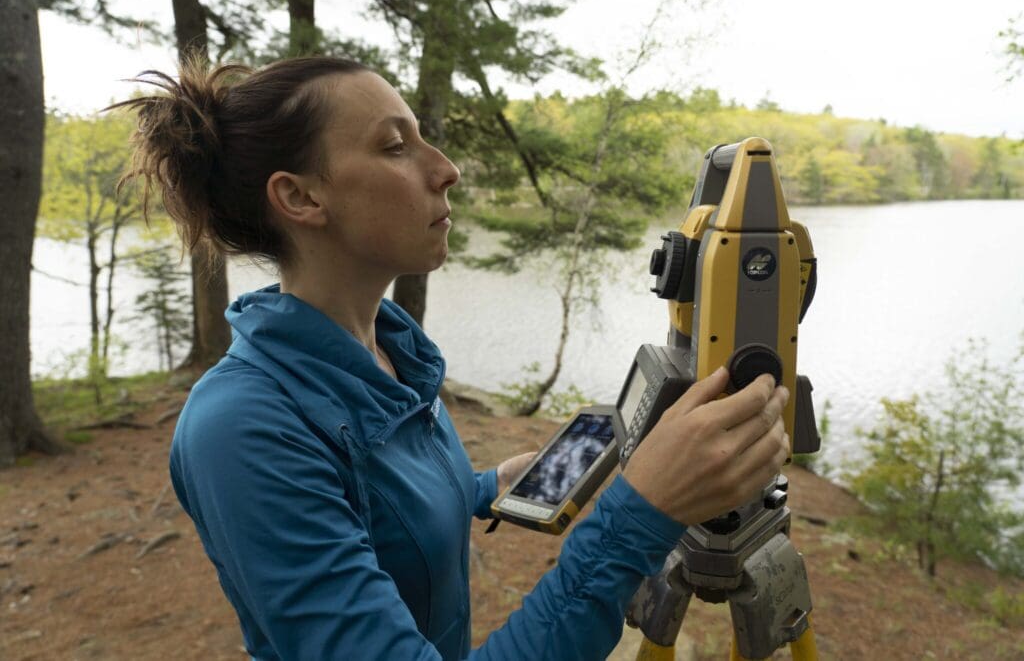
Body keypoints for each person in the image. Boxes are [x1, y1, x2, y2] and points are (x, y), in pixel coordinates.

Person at [112, 56, 790, 661]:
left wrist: (484, 485)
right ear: (300, 196)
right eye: (395, 146)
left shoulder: (387, 358)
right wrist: (644, 509)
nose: (446, 169)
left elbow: (369, 501)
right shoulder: (241, 427)